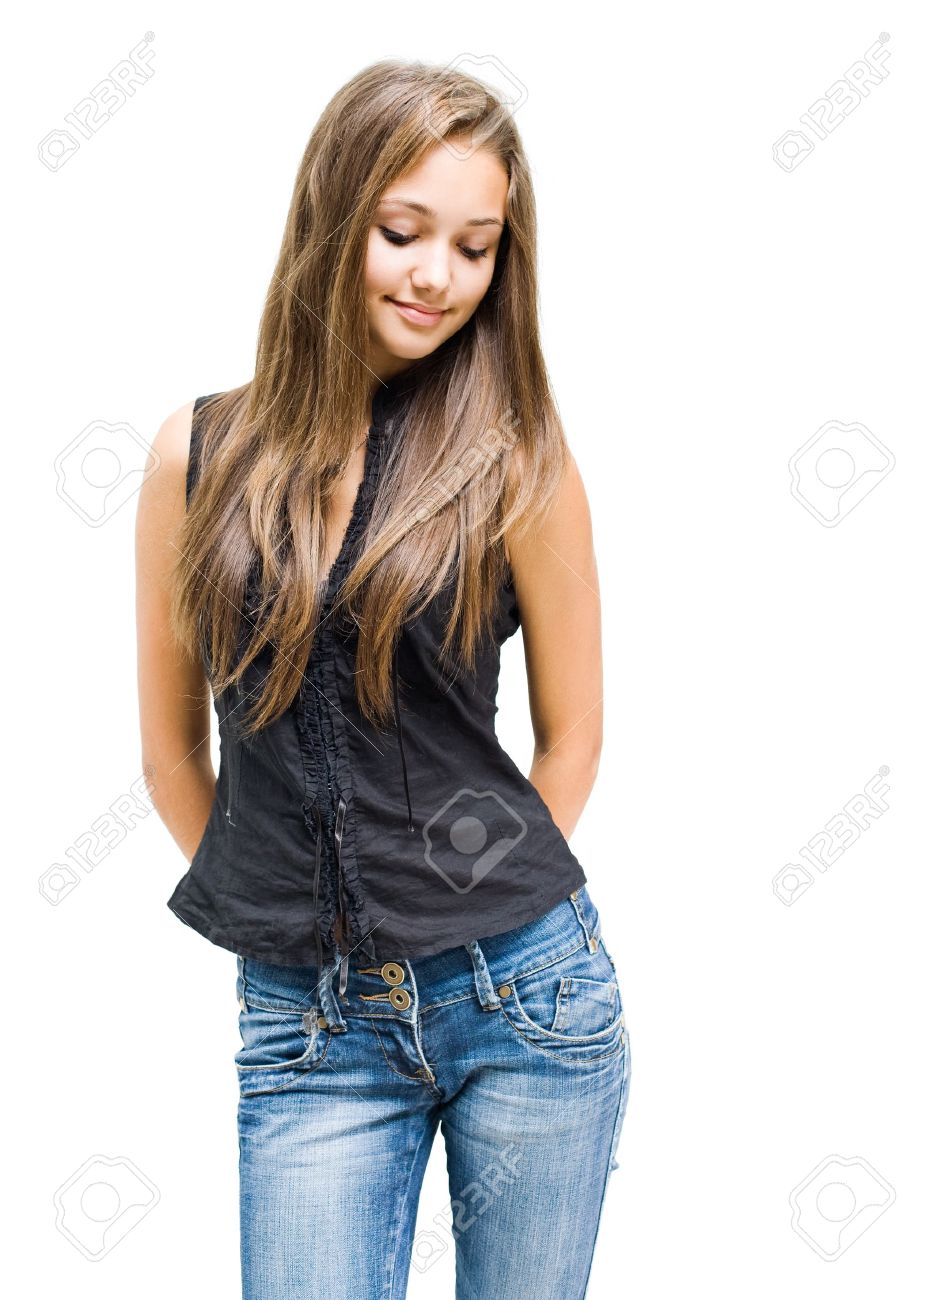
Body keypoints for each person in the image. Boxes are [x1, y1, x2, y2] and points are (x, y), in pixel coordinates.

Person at [135, 57, 631, 1300]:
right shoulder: (196, 456)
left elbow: (572, 736)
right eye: (402, 232)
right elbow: (171, 752)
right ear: (331, 214)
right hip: (307, 1027)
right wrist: (297, 908)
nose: (436, 277)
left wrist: (454, 900)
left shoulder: (518, 461)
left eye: (474, 248)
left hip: (526, 999)